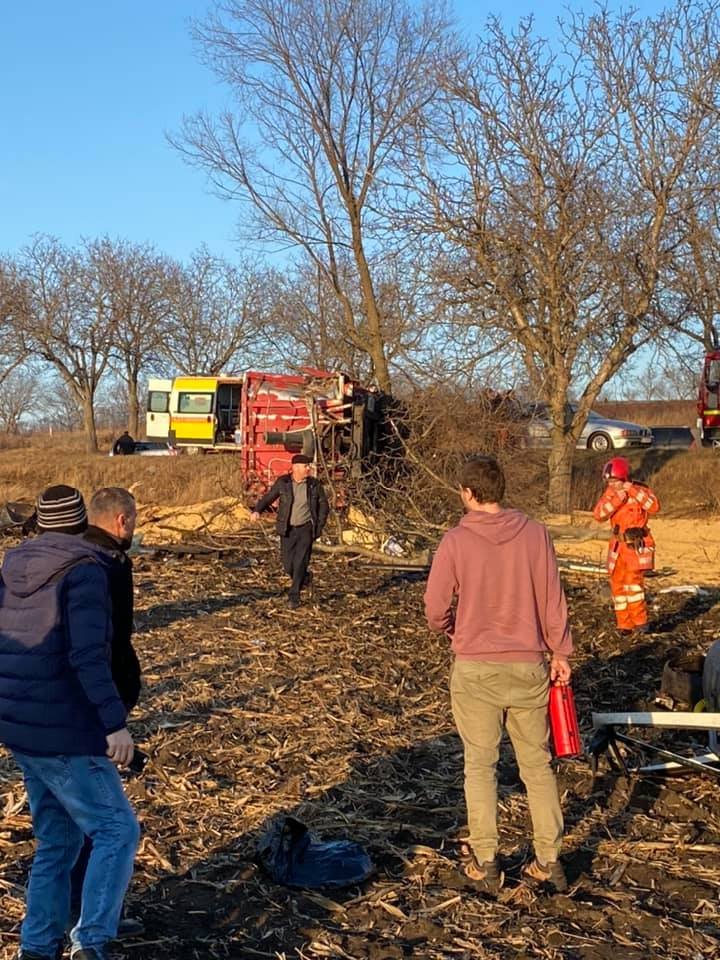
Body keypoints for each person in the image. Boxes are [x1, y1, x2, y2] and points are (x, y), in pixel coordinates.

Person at [0, 485, 140, 960]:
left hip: (21, 728)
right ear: (81, 522)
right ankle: (91, 940)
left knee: (57, 842)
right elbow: (88, 655)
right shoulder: (85, 570)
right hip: (65, 727)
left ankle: (37, 946)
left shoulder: (12, 566)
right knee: (117, 830)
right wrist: (114, 723)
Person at [424, 455, 573, 894]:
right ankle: (549, 860)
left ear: (468, 493)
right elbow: (553, 599)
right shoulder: (536, 534)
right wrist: (561, 651)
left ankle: (486, 861)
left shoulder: (455, 540)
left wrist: (452, 628)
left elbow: (434, 608)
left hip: (476, 668)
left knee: (480, 765)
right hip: (529, 666)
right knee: (537, 766)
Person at [68, 487, 143, 939]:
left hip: (65, 711)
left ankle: (65, 916)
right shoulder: (105, 565)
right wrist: (112, 716)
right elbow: (98, 649)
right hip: (92, 710)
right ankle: (90, 925)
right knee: (109, 825)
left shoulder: (70, 556)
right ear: (121, 521)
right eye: (133, 520)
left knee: (71, 823)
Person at [250, 454, 329, 608]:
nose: (308, 469)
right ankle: (305, 578)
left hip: (306, 529)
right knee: (288, 565)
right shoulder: (283, 483)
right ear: (296, 467)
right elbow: (268, 498)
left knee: (300, 562)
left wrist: (319, 527)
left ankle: (294, 596)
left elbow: (324, 506)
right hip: (287, 529)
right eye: (305, 466)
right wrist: (257, 510)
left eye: (308, 466)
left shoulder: (314, 485)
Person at [592, 456, 660, 635]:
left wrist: (632, 491)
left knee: (633, 584)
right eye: (609, 482)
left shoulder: (640, 490)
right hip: (618, 546)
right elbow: (599, 515)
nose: (612, 484)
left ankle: (640, 622)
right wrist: (616, 500)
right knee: (618, 585)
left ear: (623, 477)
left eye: (614, 481)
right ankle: (624, 624)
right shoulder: (610, 494)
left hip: (635, 546)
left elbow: (654, 507)